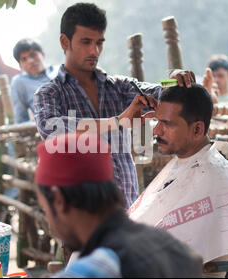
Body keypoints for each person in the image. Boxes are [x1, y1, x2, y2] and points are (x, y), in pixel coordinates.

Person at [34, 2, 194, 208]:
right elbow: (52, 130)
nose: (94, 50)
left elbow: (159, 94)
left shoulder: (118, 87)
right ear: (65, 42)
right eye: (85, 42)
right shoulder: (50, 93)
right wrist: (117, 121)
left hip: (126, 210)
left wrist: (175, 81)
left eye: (99, 42)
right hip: (80, 218)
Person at [128, 84, 228, 278]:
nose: (156, 131)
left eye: (167, 124)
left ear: (197, 130)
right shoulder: (187, 161)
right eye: (157, 122)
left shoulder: (213, 176)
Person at [35, 132, 203, 278]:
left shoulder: (99, 268)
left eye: (45, 210)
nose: (53, 228)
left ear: (59, 201)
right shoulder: (175, 249)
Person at [11, 38, 59, 123]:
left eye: (33, 55)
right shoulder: (20, 82)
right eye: (24, 59)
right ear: (20, 65)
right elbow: (20, 119)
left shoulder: (60, 71)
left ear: (43, 54)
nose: (30, 61)